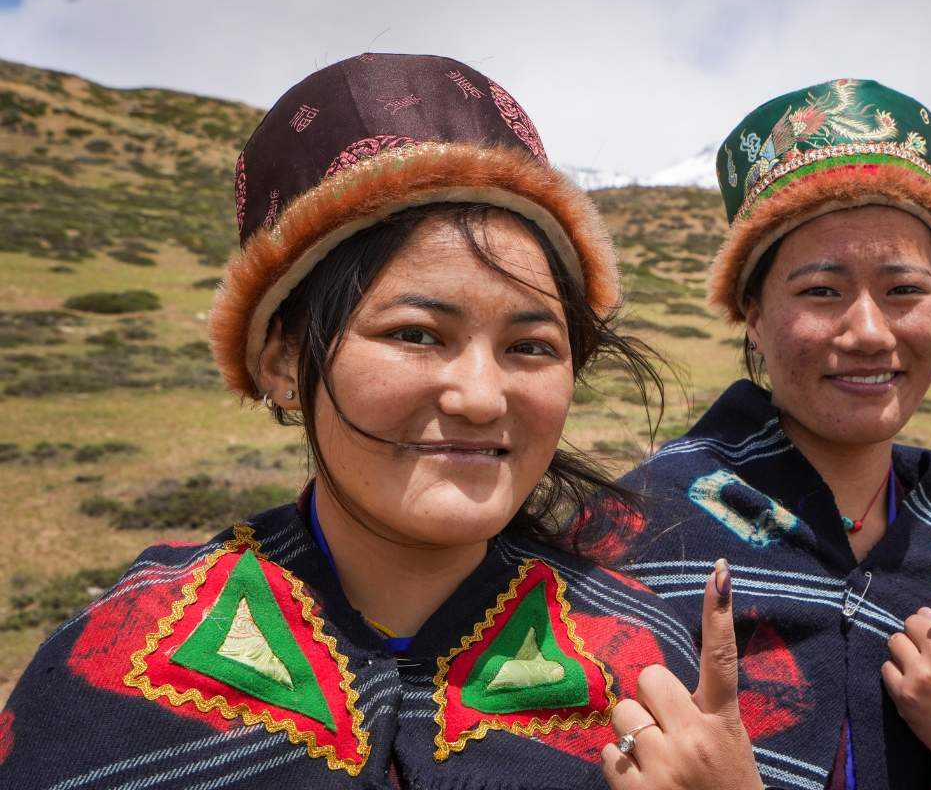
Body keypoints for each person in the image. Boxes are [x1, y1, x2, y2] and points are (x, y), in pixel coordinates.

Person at [0, 54, 761, 790]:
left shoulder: (651, 669)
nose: (481, 397)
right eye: (416, 335)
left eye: (530, 346)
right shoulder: (115, 665)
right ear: (280, 361)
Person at [581, 80, 931, 789]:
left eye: (905, 290)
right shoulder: (644, 528)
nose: (869, 332)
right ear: (754, 316)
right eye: (822, 292)